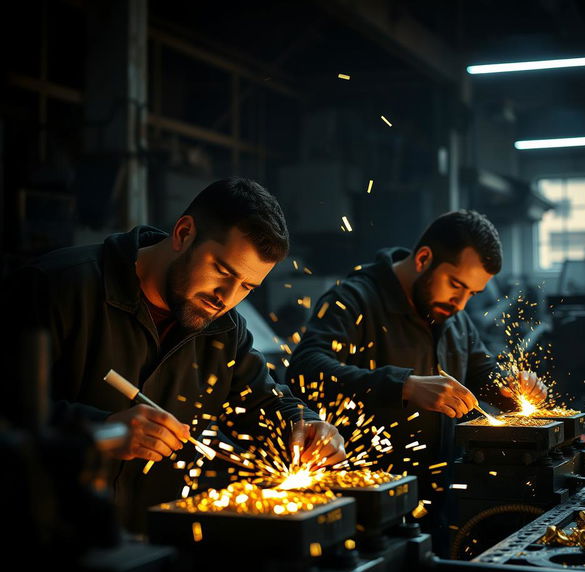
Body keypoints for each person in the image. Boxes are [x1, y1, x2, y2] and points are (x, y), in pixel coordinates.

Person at [1, 177, 345, 534]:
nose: (226, 297)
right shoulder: (54, 288)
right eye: (223, 271)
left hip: (154, 547)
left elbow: (266, 401)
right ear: (183, 233)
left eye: (247, 286)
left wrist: (306, 425)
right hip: (47, 543)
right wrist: (100, 429)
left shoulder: (225, 330)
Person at [287, 210, 547, 547]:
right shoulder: (354, 300)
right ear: (424, 258)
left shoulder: (453, 317)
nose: (461, 302)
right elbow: (306, 369)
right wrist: (404, 386)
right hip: (367, 507)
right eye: (456, 285)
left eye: (471, 293)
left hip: (438, 498)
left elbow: (482, 373)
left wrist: (514, 388)